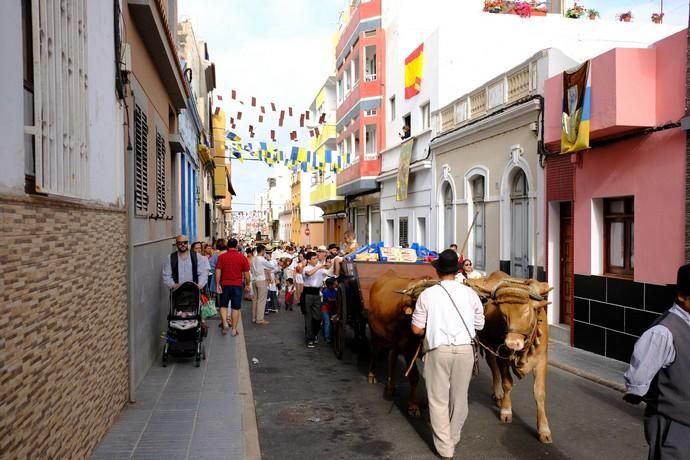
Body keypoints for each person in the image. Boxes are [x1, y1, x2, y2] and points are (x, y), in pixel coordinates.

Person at [411, 249, 485, 460]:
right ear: (458, 271)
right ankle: (452, 437)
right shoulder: (470, 294)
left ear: (438, 271)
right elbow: (479, 324)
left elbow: (416, 329)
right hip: (465, 351)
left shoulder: (427, 295)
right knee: (459, 398)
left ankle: (445, 448)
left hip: (438, 350)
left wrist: (432, 328)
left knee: (438, 400)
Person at [623, 263, 690, 459]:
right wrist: (637, 392)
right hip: (673, 426)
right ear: (682, 296)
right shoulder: (662, 333)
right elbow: (638, 380)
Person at [215, 238, 250, 336]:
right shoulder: (242, 257)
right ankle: (234, 330)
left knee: (223, 306)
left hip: (225, 284)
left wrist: (217, 284)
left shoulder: (222, 257)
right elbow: (247, 274)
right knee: (235, 308)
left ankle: (225, 323)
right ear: (236, 246)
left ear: (227, 246)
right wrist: (247, 284)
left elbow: (218, 271)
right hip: (237, 285)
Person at [302, 251, 331, 348]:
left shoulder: (320, 268)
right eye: (314, 259)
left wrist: (329, 265)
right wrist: (319, 266)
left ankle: (314, 334)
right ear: (309, 260)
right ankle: (310, 338)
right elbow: (308, 274)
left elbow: (329, 273)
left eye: (316, 258)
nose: (316, 260)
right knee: (308, 317)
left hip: (317, 293)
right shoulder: (306, 268)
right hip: (308, 293)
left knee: (317, 317)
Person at [250, 244, 273, 325]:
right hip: (261, 280)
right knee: (261, 301)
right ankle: (259, 319)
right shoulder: (262, 259)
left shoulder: (253, 258)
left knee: (255, 300)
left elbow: (251, 270)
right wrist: (269, 259)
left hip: (254, 280)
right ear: (263, 251)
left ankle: (254, 317)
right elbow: (271, 266)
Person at [321, 278, 337, 344]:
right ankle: (327, 337)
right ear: (330, 285)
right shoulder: (326, 291)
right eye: (334, 283)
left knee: (330, 323)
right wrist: (336, 299)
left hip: (332, 308)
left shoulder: (335, 290)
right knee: (327, 323)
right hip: (325, 308)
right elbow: (328, 300)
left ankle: (329, 335)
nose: (336, 284)